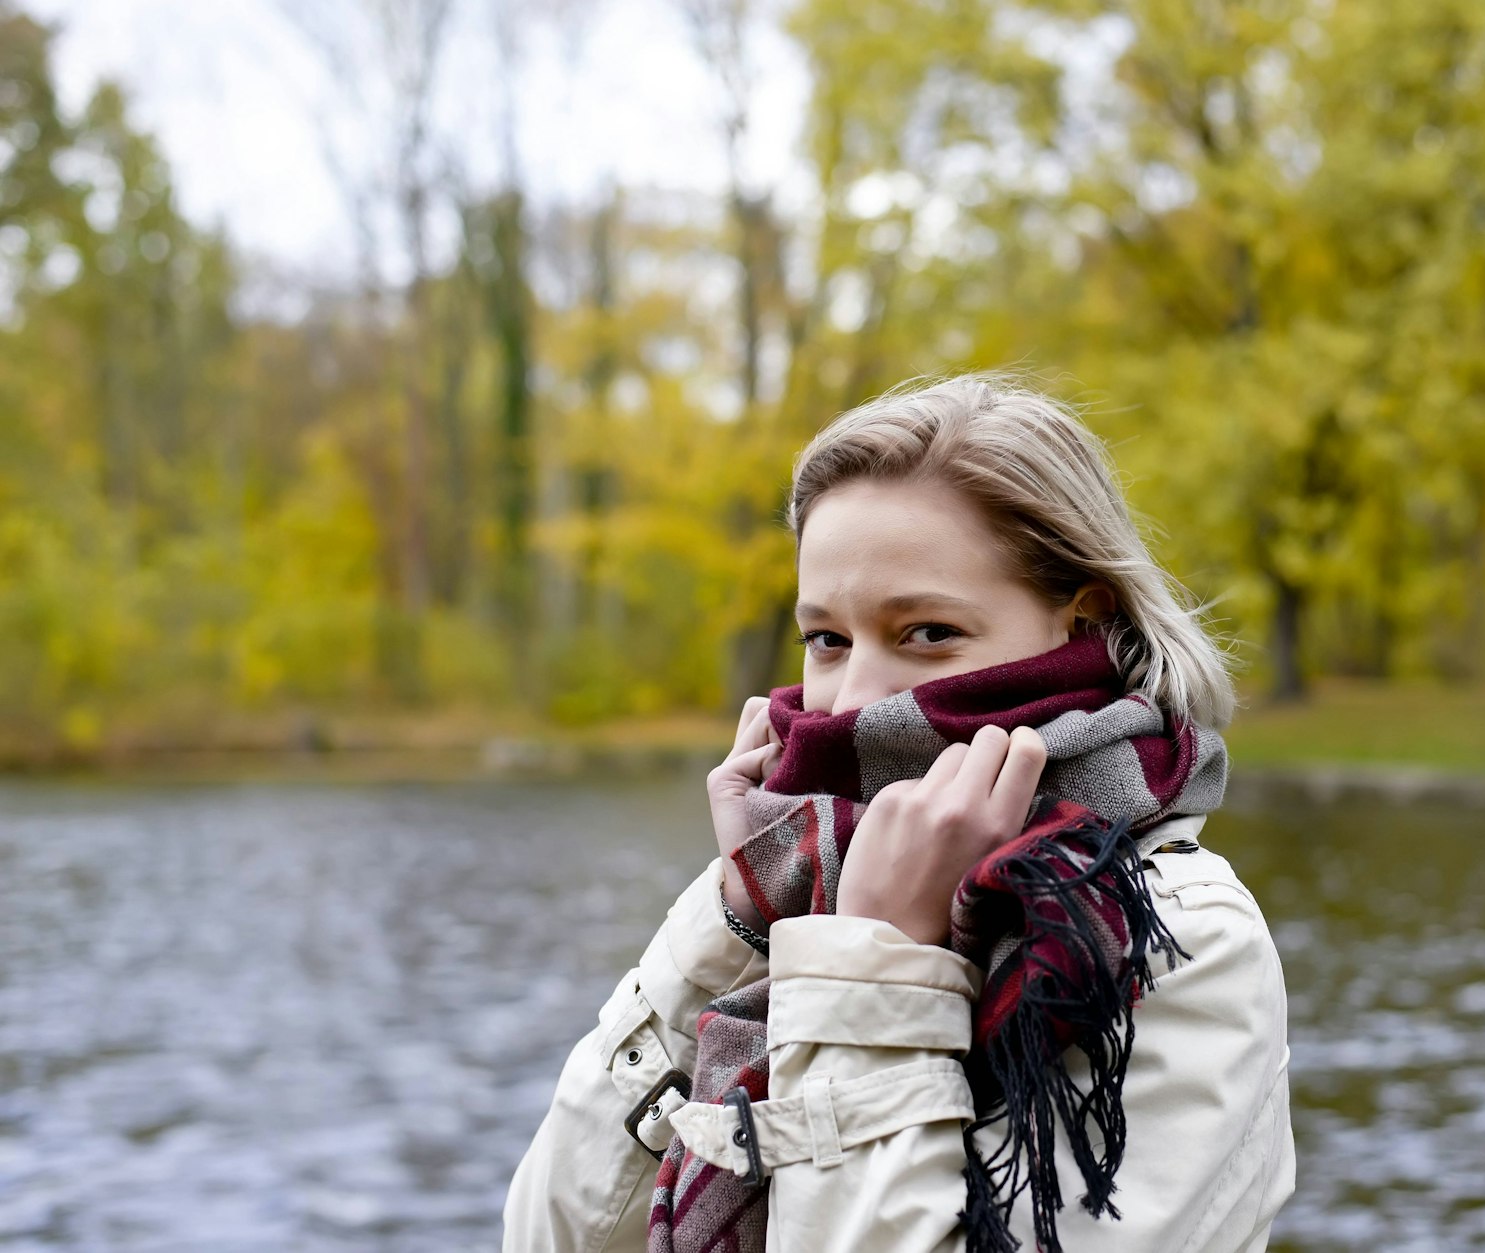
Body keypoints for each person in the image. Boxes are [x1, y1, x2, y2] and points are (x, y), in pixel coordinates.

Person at [503, 374, 1294, 1252]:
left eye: (926, 632)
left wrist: (878, 961)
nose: (856, 697)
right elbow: (551, 1234)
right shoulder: (808, 878)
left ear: (1082, 620)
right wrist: (741, 912)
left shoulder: (1178, 937)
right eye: (828, 639)